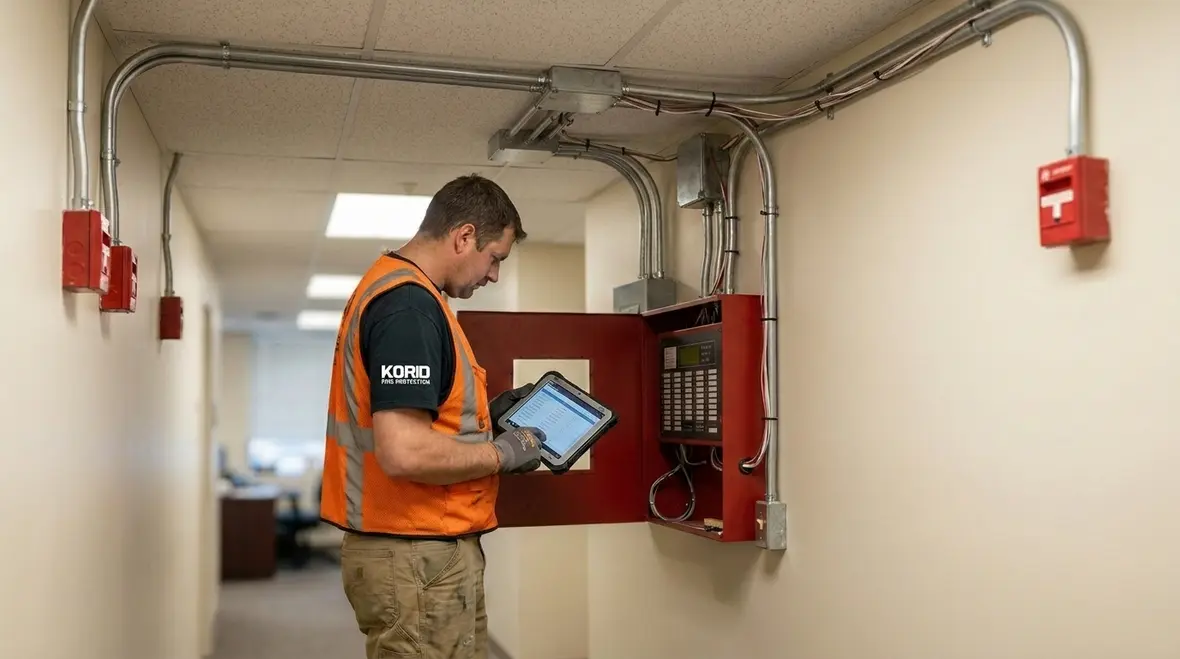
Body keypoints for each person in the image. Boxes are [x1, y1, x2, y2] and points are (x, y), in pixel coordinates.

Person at [320, 174, 547, 659]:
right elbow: (404, 452)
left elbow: (427, 421)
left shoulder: (398, 291)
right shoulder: (410, 309)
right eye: (495, 259)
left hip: (411, 547)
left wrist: (487, 422)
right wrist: (502, 452)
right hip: (414, 551)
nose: (493, 276)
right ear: (464, 237)